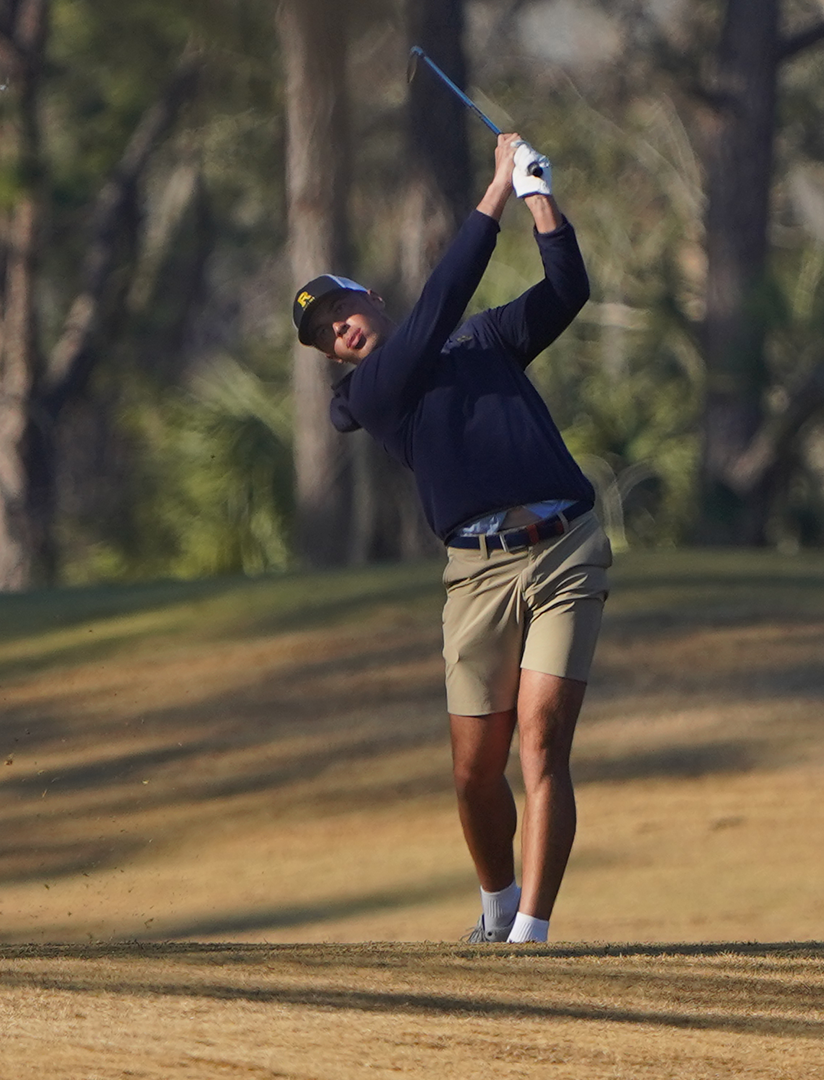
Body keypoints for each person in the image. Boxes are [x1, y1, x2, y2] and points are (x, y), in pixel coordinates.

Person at [291, 133, 608, 944]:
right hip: (475, 574)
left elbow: (566, 291)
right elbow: (441, 298)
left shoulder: (483, 342)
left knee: (541, 740)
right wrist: (496, 188)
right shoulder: (372, 393)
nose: (341, 333)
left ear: (370, 300)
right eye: (327, 335)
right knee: (475, 771)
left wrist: (540, 195)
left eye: (343, 313)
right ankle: (497, 903)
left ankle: (531, 933)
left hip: (564, 547)